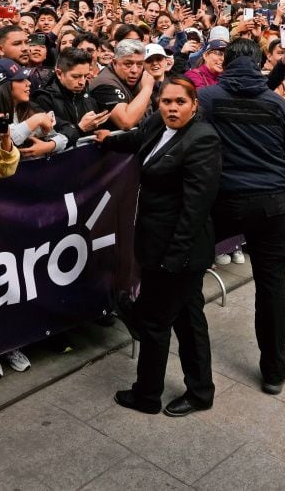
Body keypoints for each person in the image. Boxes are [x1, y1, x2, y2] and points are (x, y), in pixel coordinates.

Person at [97, 77, 221, 417]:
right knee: (188, 317)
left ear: (194, 104)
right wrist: (109, 139)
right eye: (166, 101)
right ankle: (200, 391)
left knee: (154, 322)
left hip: (177, 252)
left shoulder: (203, 139)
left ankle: (147, 395)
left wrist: (173, 259)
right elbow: (139, 139)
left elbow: (196, 207)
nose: (172, 107)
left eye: (180, 102)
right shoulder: (157, 123)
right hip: (157, 245)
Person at [198, 38, 285, 395]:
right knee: (272, 288)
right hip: (271, 203)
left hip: (222, 202)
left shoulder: (207, 99)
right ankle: (274, 369)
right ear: (260, 64)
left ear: (225, 62)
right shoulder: (278, 104)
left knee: (184, 269)